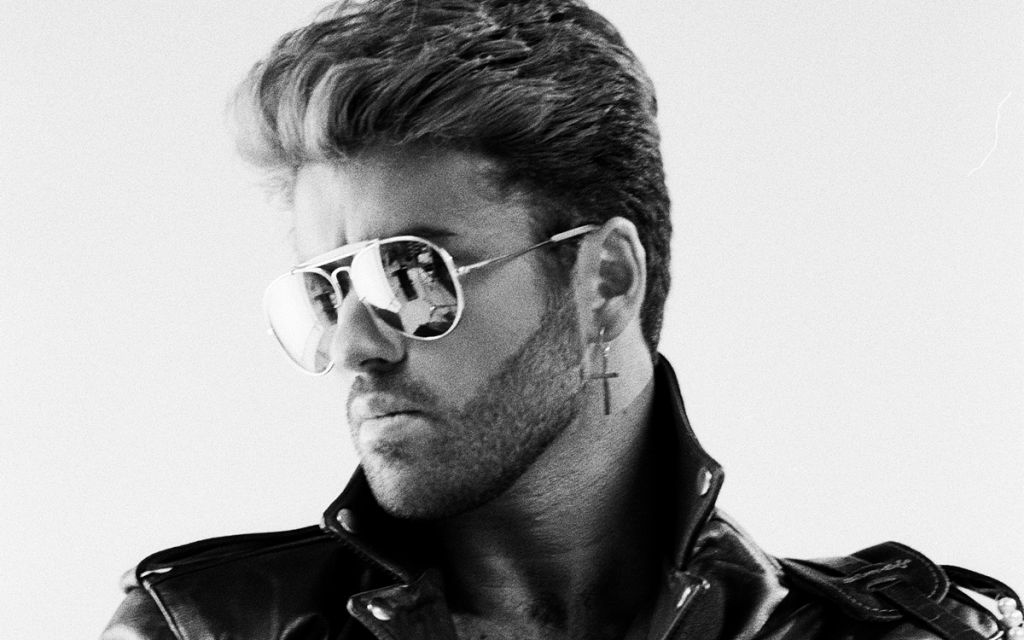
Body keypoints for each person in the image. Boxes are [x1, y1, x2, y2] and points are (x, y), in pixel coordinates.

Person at [102, 1, 1021, 639]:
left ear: (605, 282)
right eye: (327, 289)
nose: (353, 345)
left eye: (410, 275)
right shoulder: (203, 630)